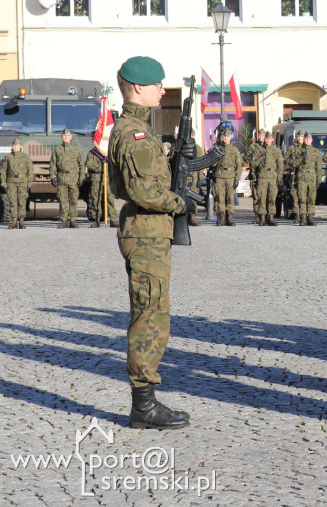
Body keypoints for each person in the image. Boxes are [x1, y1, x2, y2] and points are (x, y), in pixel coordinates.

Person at [108, 56, 192, 429]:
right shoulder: (134, 133)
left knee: (153, 312)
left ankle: (146, 401)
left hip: (149, 233)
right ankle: (143, 405)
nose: (162, 89)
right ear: (139, 88)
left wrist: (174, 156)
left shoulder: (137, 128)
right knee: (149, 316)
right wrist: (180, 202)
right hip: (146, 232)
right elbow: (143, 190)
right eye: (157, 84)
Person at [49, 127, 85, 227]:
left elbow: (82, 165)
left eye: (67, 135)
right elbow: (53, 164)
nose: (66, 137)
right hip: (62, 178)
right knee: (62, 201)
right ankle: (64, 221)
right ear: (62, 137)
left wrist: (82, 177)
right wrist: (52, 176)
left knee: (73, 200)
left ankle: (73, 220)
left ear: (71, 137)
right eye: (64, 135)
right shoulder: (57, 150)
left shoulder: (77, 150)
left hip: (73, 178)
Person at [210, 125, 242, 225]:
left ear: (230, 137)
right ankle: (221, 218)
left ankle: (230, 218)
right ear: (220, 137)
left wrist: (237, 179)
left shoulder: (234, 150)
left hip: (230, 177)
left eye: (227, 136)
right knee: (219, 198)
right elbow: (211, 163)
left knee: (230, 198)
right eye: (223, 136)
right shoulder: (216, 148)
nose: (225, 138)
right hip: (219, 176)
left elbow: (239, 165)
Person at [1, 138, 32, 229]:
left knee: (22, 202)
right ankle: (14, 222)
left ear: (20, 146)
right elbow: (3, 171)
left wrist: (29, 184)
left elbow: (30, 171)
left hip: (23, 182)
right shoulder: (8, 157)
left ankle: (21, 222)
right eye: (14, 145)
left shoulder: (25, 157)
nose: (15, 147)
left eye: (17, 145)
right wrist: (4, 183)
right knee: (13, 202)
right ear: (12, 146)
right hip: (11, 182)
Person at [253, 132, 282, 226]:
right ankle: (262, 218)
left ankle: (271, 218)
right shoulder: (259, 150)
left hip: (273, 178)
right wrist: (261, 158)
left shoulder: (276, 151)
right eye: (266, 138)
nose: (268, 140)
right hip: (262, 178)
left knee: (272, 198)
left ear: (272, 139)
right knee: (262, 198)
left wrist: (279, 177)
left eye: (269, 138)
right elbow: (253, 164)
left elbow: (280, 165)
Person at [292, 132, 321, 225]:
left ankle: (311, 217)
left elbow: (318, 167)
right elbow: (294, 164)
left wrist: (318, 180)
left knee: (311, 198)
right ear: (303, 140)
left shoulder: (316, 152)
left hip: (312, 178)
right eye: (305, 139)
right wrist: (301, 157)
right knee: (302, 198)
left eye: (309, 139)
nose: (307, 141)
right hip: (301, 178)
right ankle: (303, 217)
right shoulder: (299, 151)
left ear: (312, 140)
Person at [85, 147, 117, 227]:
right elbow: (90, 165)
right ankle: (96, 220)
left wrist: (107, 164)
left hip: (108, 179)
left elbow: (114, 165)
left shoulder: (109, 152)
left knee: (110, 199)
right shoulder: (92, 153)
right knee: (96, 200)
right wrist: (101, 165)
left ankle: (113, 220)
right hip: (96, 179)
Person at [243, 129, 267, 220]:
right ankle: (257, 215)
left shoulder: (268, 147)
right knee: (256, 196)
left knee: (265, 196)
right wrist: (252, 162)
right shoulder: (253, 147)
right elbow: (246, 157)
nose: (262, 137)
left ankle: (265, 215)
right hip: (255, 175)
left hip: (265, 176)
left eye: (263, 136)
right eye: (260, 136)